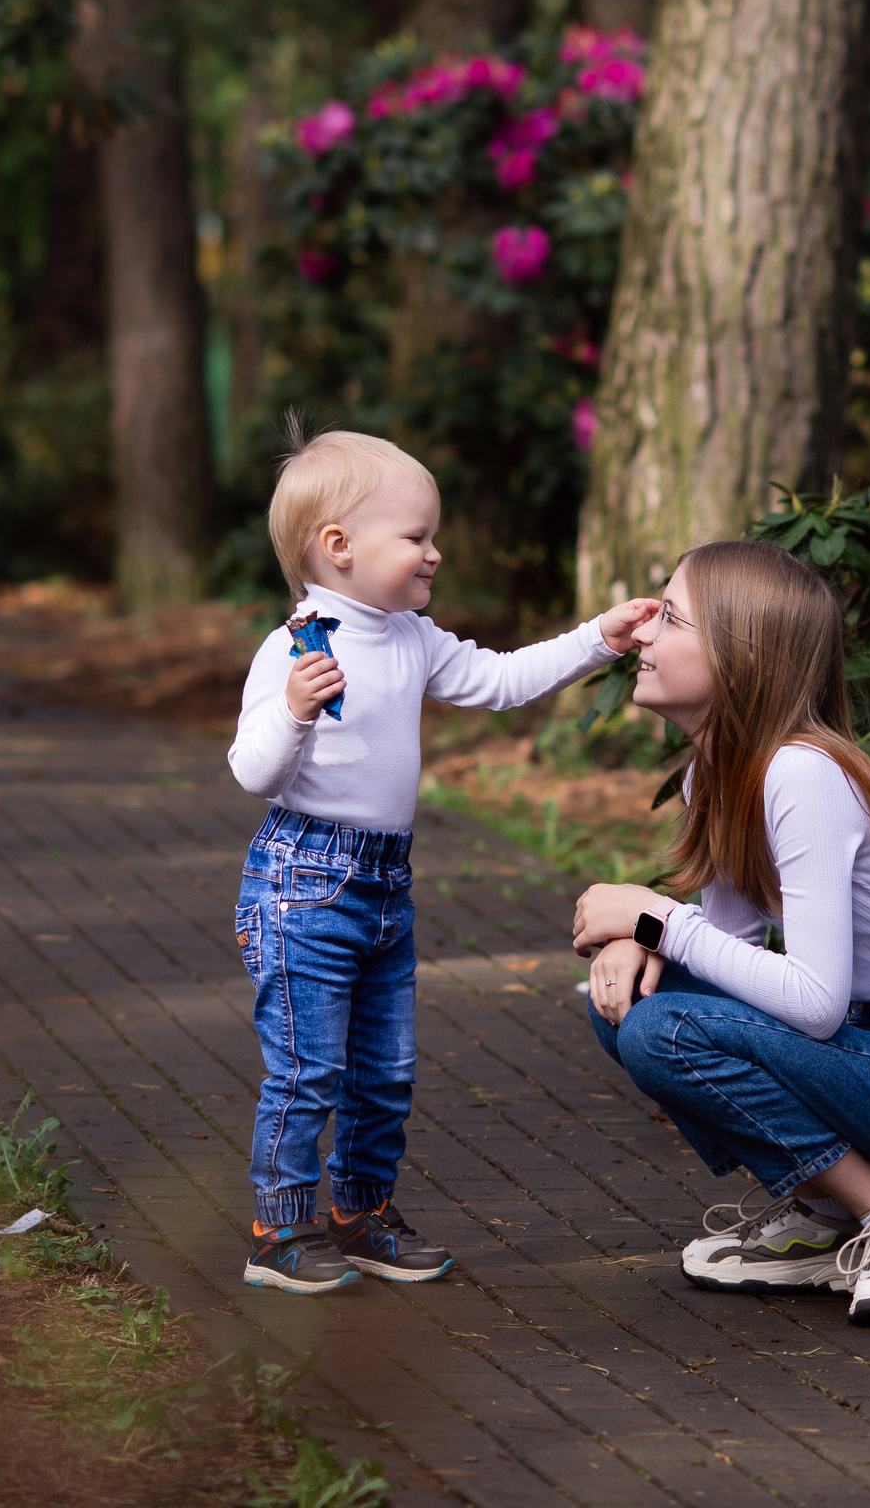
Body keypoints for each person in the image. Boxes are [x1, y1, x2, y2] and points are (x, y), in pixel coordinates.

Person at [227, 423, 658, 1295]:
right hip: (303, 883)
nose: (434, 554)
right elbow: (251, 772)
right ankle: (279, 1228)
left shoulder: (411, 637)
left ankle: (360, 1213)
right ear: (338, 547)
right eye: (416, 537)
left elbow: (501, 681)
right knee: (310, 1068)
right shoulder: (297, 647)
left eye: (433, 536)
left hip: (386, 880)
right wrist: (295, 712)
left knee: (386, 1070)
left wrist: (599, 639)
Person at [571, 539, 870, 1324]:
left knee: (662, 1027)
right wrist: (645, 942)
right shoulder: (718, 775)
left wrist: (656, 917)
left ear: (740, 656)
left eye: (671, 617)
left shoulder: (803, 771)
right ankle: (830, 1222)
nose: (644, 634)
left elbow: (816, 1003)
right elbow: (721, 967)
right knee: (625, 1001)